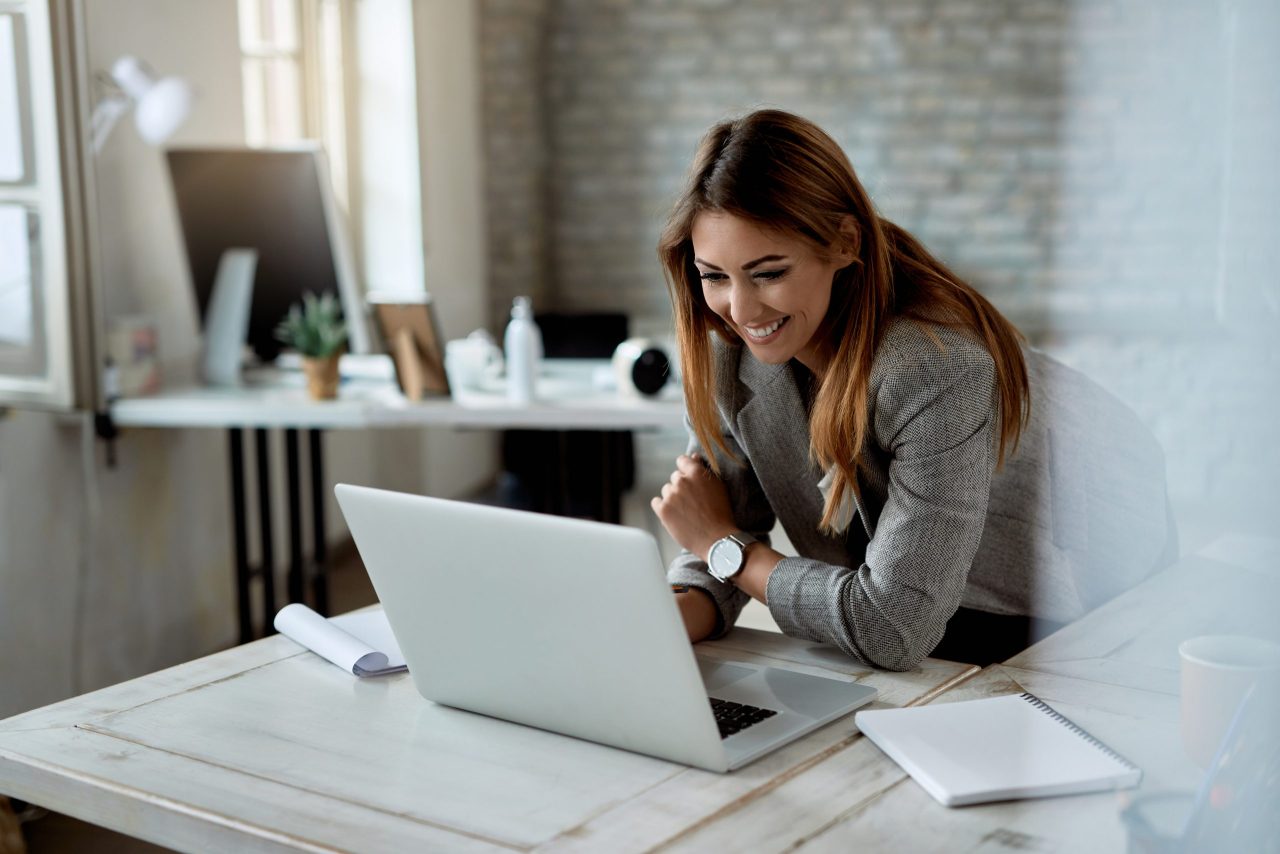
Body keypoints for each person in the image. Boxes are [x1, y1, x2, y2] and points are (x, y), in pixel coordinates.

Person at [650, 109, 1175, 670]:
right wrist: (667, 619)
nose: (741, 309)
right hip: (914, 600)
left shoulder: (934, 369)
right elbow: (714, 523)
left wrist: (724, 549)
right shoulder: (728, 349)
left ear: (844, 242)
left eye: (769, 272)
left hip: (1069, 582)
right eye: (714, 276)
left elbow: (892, 627)